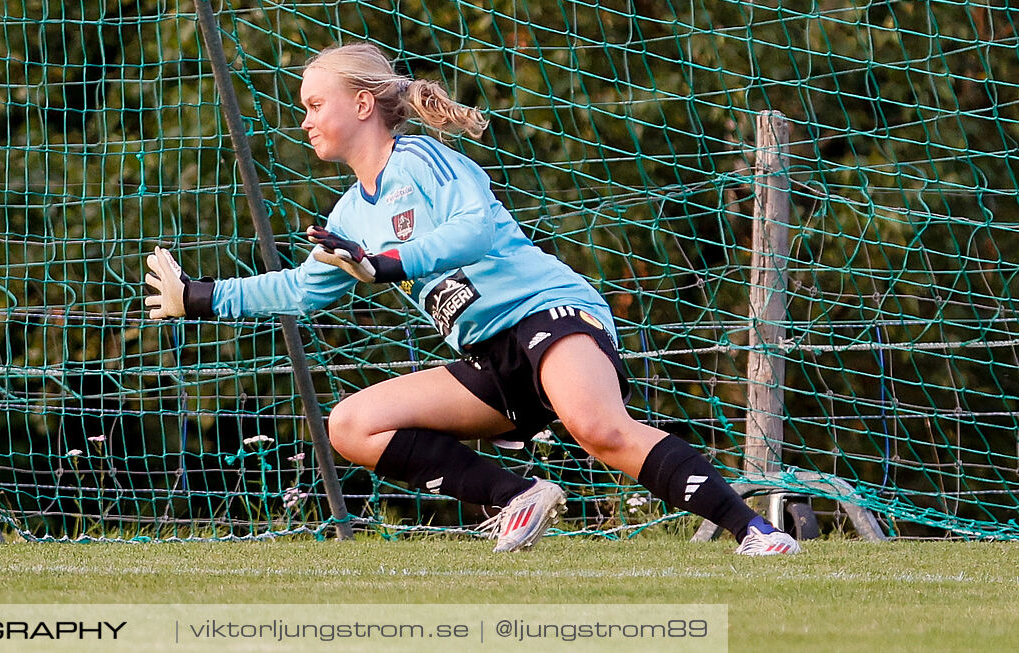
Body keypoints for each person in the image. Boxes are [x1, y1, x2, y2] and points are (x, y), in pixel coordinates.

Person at [143, 41, 800, 555]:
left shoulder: (423, 161)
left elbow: (477, 227)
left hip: (544, 312)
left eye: (314, 103)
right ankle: (519, 495)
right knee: (349, 424)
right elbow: (299, 289)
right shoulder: (347, 214)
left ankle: (756, 532)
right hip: (488, 356)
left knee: (596, 427)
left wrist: (387, 262)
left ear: (363, 104)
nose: (304, 117)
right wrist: (196, 295)